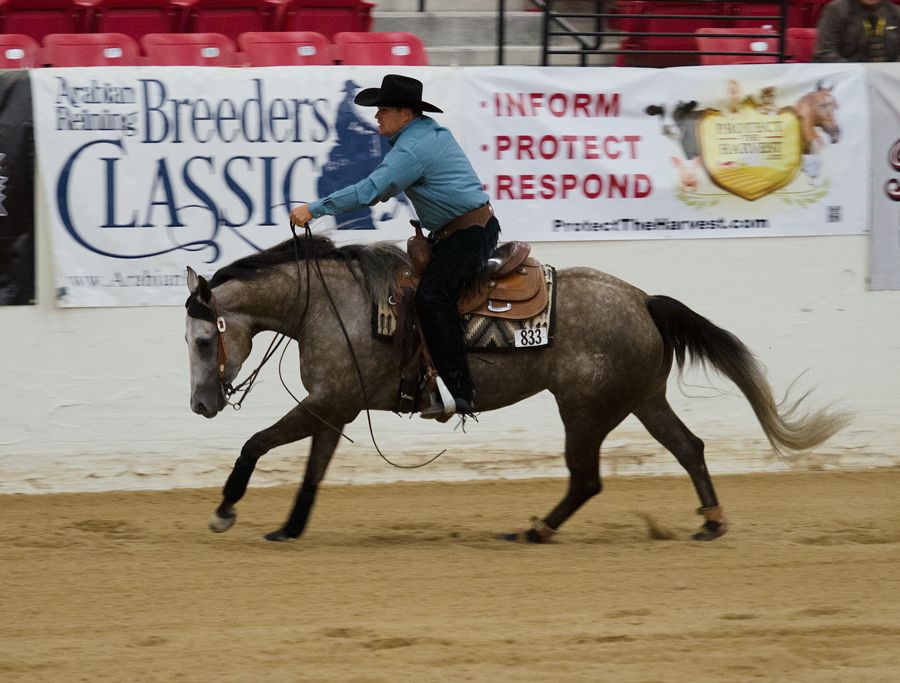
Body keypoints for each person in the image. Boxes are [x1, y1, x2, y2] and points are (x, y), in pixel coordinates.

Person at [289, 74, 499, 418]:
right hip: (460, 231)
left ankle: (460, 391)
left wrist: (316, 208)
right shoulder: (424, 134)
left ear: (405, 113)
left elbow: (371, 190)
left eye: (384, 110)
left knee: (432, 297)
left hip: (468, 234)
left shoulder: (412, 149)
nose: (376, 116)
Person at [813, 0, 900, 62]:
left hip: (888, 77)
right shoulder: (836, 10)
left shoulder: (896, 12)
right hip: (847, 75)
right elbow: (825, 52)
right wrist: (856, 71)